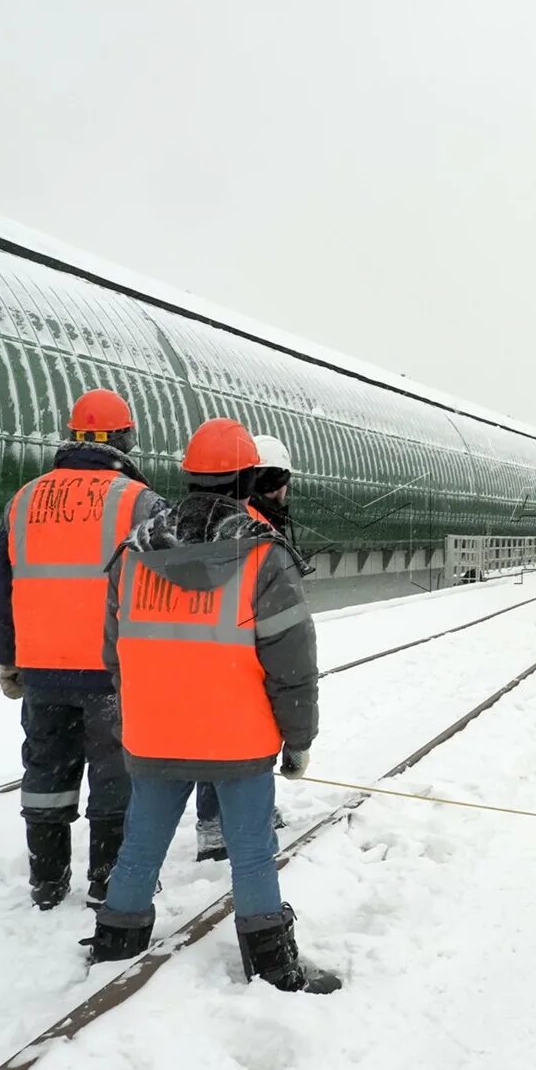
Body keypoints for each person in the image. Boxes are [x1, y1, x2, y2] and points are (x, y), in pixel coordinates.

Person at [82, 418, 339, 994]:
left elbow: (114, 654)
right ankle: (273, 967)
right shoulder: (263, 557)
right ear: (249, 479)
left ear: (189, 475)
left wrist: (135, 720)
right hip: (237, 738)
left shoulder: (133, 553)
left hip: (154, 736)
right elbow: (292, 666)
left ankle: (114, 944)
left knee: (140, 847)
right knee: (251, 854)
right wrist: (298, 741)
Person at [0, 388, 167, 910]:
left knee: (46, 772)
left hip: (43, 670)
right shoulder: (140, 502)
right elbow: (169, 587)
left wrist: (9, 657)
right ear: (124, 439)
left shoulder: (23, 500)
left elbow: (0, 586)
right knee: (116, 779)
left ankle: (47, 882)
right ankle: (108, 884)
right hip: (113, 671)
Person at [196, 432, 295, 861]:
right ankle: (221, 825)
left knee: (223, 734)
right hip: (241, 647)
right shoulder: (256, 527)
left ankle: (227, 820)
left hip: (222, 644)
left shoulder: (237, 517)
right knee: (241, 735)